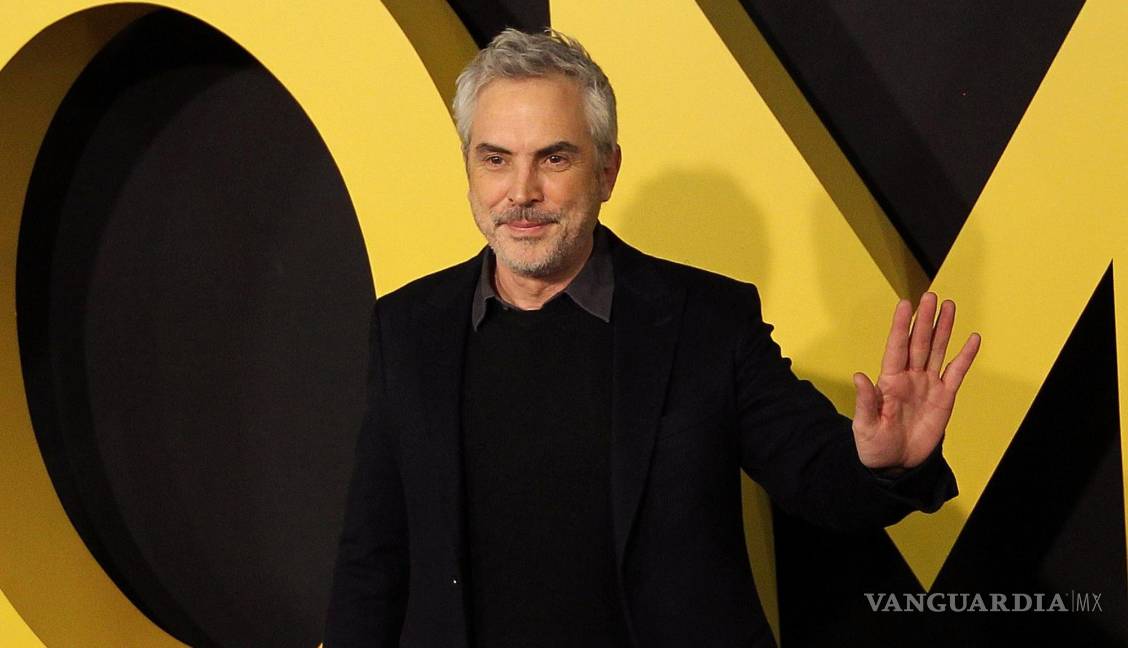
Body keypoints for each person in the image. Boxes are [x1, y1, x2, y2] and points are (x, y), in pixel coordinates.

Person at [324, 28, 980, 648]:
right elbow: (373, 556)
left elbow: (814, 475)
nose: (521, 192)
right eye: (496, 159)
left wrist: (888, 464)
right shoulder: (409, 327)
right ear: (470, 169)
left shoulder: (705, 321)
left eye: (554, 158)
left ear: (607, 172)